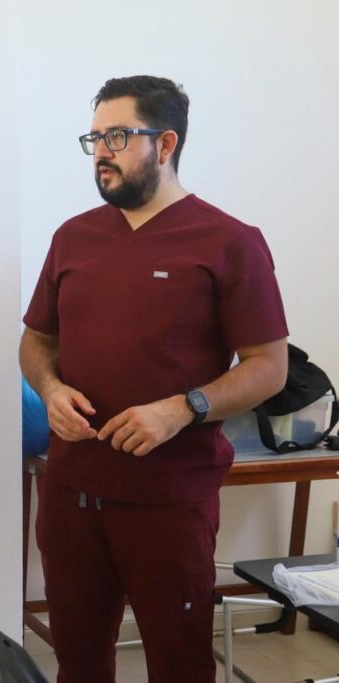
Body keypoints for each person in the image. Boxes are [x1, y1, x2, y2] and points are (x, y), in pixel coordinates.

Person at [20, 76, 289, 682]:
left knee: (178, 662)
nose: (101, 151)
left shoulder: (230, 241)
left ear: (165, 144)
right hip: (72, 491)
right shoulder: (73, 237)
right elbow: (37, 341)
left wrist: (183, 407)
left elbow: (269, 368)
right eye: (94, 137)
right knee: (77, 660)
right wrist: (50, 389)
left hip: (169, 498)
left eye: (117, 136)